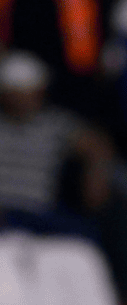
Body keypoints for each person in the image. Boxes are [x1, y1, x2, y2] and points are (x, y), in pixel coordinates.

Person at [0, 51, 111, 241]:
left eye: (36, 90)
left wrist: (96, 179)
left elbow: (96, 146)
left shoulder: (56, 123)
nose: (33, 97)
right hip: (3, 212)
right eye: (22, 92)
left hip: (39, 214)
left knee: (85, 239)